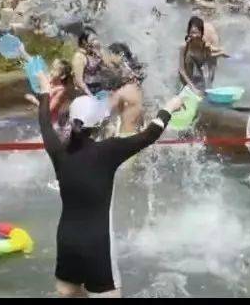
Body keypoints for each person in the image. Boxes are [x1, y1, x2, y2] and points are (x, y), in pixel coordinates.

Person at [37, 76, 182, 297]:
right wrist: (169, 108)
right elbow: (150, 135)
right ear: (99, 124)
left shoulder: (59, 151)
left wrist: (45, 92)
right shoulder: (108, 151)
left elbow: (44, 123)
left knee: (67, 290)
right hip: (99, 244)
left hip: (66, 241)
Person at [24, 59, 75, 137]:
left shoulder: (61, 91)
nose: (51, 72)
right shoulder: (51, 84)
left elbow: (48, 110)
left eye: (55, 70)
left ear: (62, 76)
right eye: (51, 68)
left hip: (56, 127)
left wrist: (34, 100)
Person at [107, 43, 145, 136]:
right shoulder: (125, 68)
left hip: (126, 100)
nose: (108, 57)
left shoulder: (124, 70)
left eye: (110, 54)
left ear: (120, 54)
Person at [180, 16, 224, 93]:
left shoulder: (206, 43)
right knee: (188, 65)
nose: (194, 36)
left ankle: (208, 91)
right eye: (192, 32)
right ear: (188, 32)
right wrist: (192, 88)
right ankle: (187, 87)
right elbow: (181, 70)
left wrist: (221, 53)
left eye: (196, 33)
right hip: (193, 54)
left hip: (206, 50)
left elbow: (210, 55)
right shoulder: (185, 45)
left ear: (201, 33)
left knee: (209, 73)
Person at [72, 30, 105, 97]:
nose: (96, 42)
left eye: (96, 39)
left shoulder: (93, 53)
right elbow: (79, 81)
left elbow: (104, 68)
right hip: (89, 91)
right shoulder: (79, 57)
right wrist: (91, 96)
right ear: (84, 41)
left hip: (101, 87)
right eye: (93, 39)